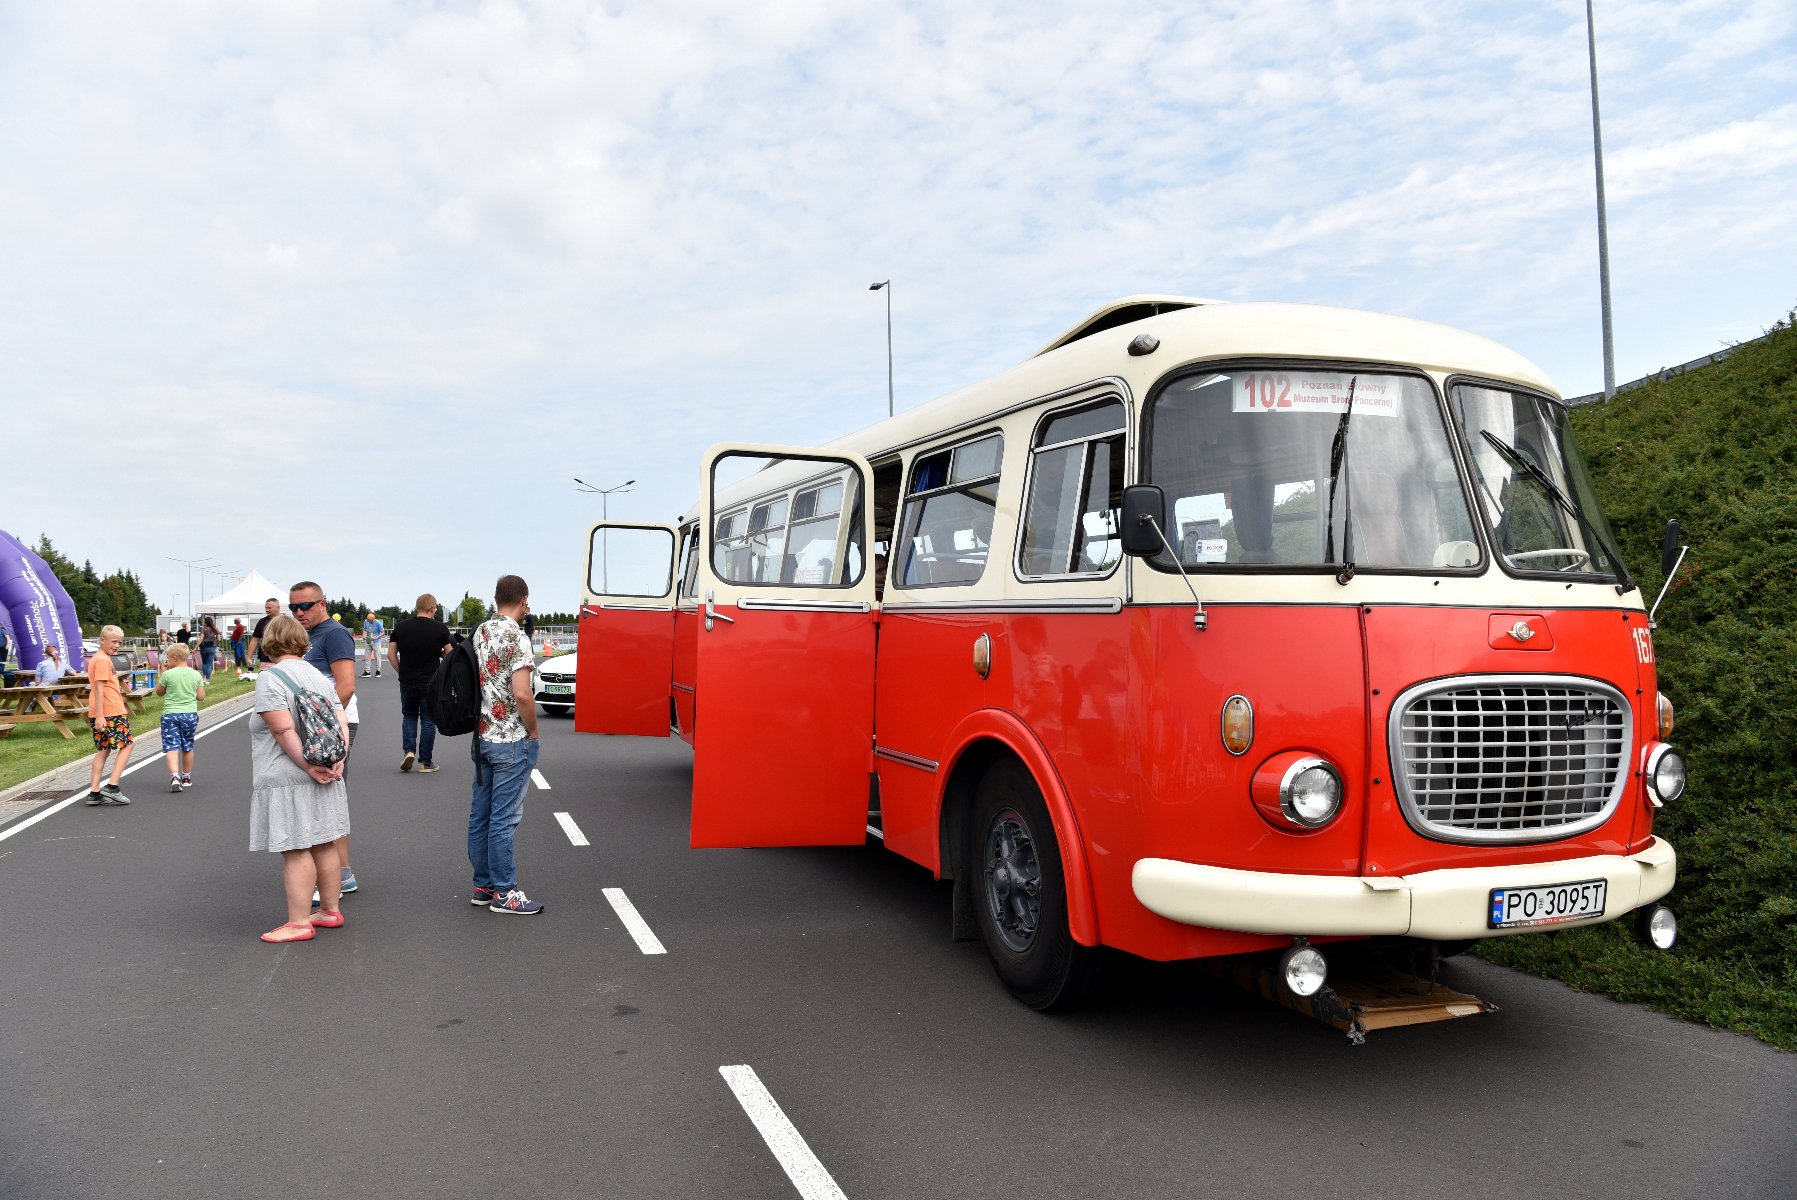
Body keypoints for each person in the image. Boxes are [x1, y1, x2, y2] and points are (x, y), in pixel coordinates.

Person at [249, 614, 349, 943]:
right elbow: (339, 720)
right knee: (323, 841)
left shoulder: (270, 678)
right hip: (327, 771)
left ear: (269, 642)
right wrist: (338, 760)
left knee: (295, 848)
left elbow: (282, 728)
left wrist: (307, 766)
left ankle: (298, 921)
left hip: (287, 776)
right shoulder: (317, 676)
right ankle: (330, 909)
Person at [468, 574, 544, 915]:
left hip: (482, 735)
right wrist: (534, 732)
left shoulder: (481, 631)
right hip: (512, 739)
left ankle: (483, 885)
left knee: (481, 816)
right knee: (504, 819)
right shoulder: (518, 637)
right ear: (524, 600)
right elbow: (523, 693)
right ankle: (505, 892)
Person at [291, 580, 359, 897]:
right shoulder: (305, 636)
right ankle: (342, 873)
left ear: (322, 603)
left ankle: (332, 878)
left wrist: (324, 730)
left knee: (322, 797)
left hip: (332, 726)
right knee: (326, 797)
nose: (299, 612)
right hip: (318, 726)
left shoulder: (334, 634)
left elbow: (345, 686)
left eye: (305, 606)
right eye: (293, 607)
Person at [388, 592, 451, 774]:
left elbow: (391, 654)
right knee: (428, 720)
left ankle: (409, 751)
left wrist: (402, 672)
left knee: (408, 716)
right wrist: (438, 654)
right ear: (432, 608)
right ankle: (425, 762)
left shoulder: (400, 627)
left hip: (407, 681)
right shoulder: (440, 628)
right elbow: (450, 653)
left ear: (417, 608)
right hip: (430, 681)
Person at [84, 625, 134, 806]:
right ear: (102, 640)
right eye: (113, 642)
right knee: (127, 745)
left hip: (103, 711)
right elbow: (99, 688)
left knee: (104, 749)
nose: (117, 645)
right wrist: (100, 716)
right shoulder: (103, 660)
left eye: (120, 642)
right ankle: (112, 786)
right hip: (110, 711)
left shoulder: (98, 658)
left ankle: (95, 792)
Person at [154, 642, 205, 790]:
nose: (166, 661)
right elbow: (201, 697)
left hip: (171, 715)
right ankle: (187, 777)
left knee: (172, 746)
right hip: (189, 714)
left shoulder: (168, 674)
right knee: (187, 746)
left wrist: (163, 673)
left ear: (175, 658)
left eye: (168, 658)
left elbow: (159, 692)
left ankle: (174, 776)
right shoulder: (196, 674)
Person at [246, 597, 279, 673]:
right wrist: (248, 657)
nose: (267, 610)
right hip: (265, 658)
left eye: (269, 608)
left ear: (278, 607)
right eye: (266, 608)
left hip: (283, 658)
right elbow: (255, 640)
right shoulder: (262, 622)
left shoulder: (286, 621)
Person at [361, 611, 385, 678]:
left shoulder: (378, 623)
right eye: (369, 621)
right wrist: (364, 635)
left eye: (371, 621)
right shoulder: (366, 621)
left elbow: (383, 632)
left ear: (373, 619)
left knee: (377, 656)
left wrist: (376, 637)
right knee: (367, 656)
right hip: (368, 640)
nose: (370, 622)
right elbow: (365, 629)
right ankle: (367, 672)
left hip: (376, 641)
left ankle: (378, 671)